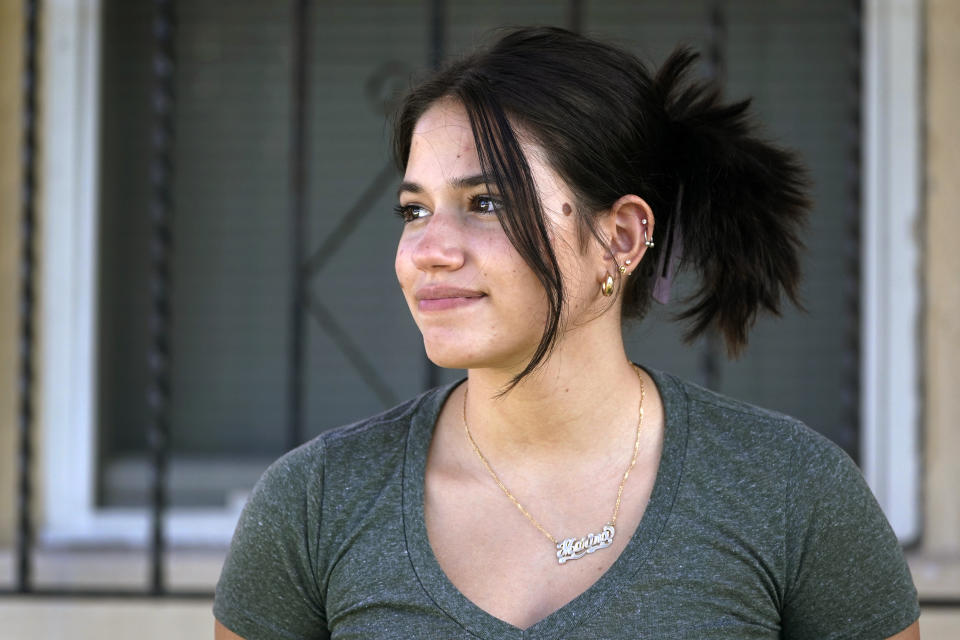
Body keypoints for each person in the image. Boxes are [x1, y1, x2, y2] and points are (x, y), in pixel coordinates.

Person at [214, 27, 920, 639]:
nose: (428, 250)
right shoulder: (316, 504)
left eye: (485, 202)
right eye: (414, 211)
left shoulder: (789, 491)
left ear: (621, 236)